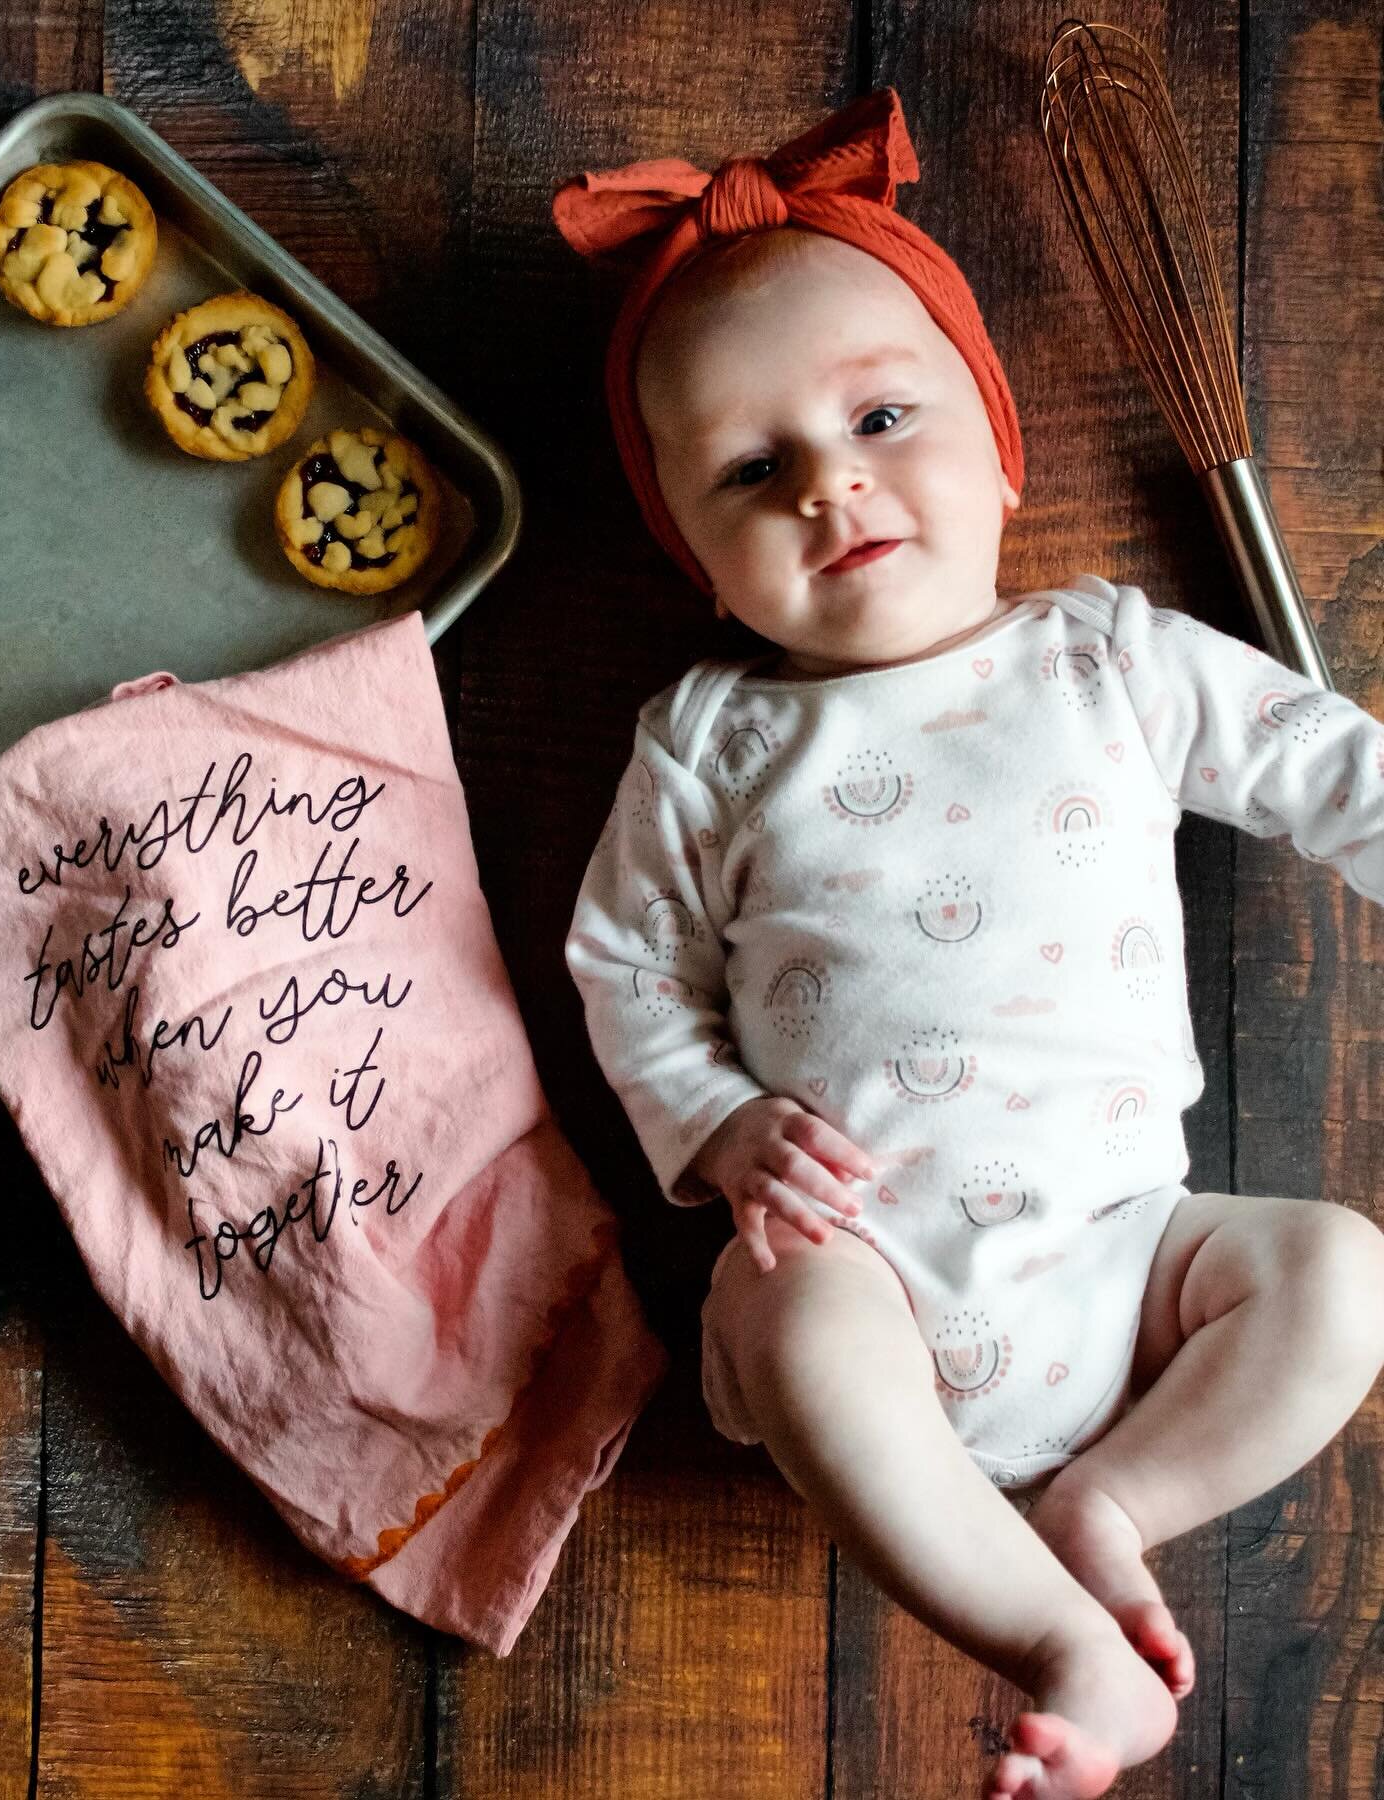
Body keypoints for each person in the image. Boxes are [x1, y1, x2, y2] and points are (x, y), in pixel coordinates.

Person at [553, 90, 1384, 1799]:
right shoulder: (710, 739)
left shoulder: (1109, 661)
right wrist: (714, 1126)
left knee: (1338, 1273)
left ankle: (1112, 1504)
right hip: (861, 1274)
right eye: (750, 469)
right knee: (779, 1312)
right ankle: (1060, 1639)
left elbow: (1318, 765)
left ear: (1000, 441)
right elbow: (626, 968)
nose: (831, 482)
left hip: (1133, 1258)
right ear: (698, 559)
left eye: (877, 413)